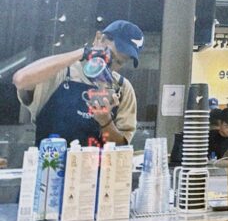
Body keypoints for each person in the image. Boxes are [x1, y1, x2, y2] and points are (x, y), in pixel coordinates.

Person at [13, 20, 143, 147]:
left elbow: (121, 148)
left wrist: (106, 121)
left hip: (97, 162)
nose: (110, 64)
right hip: (50, 160)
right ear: (99, 38)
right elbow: (21, 79)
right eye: (110, 55)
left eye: (119, 62)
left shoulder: (122, 89)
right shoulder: (60, 73)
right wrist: (83, 53)